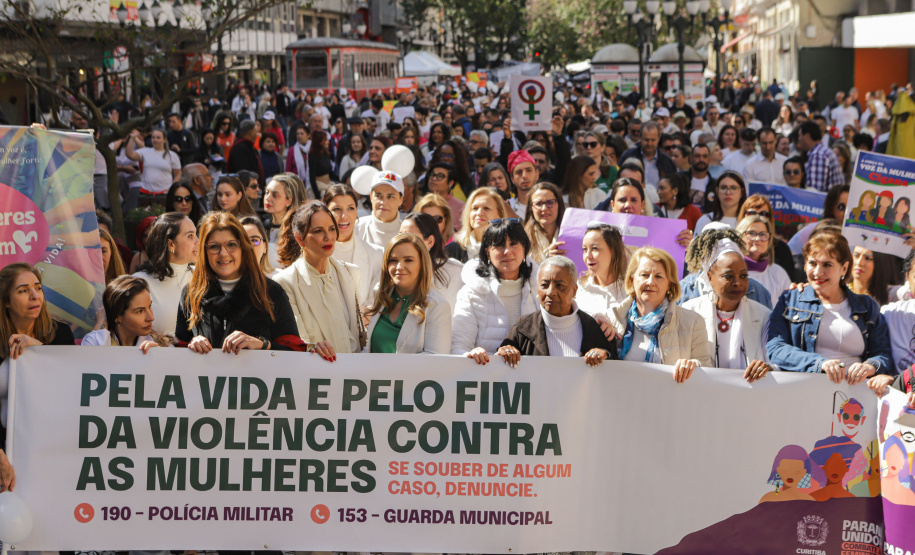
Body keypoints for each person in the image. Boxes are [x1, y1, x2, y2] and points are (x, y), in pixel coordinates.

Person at [766, 230, 893, 385]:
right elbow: (775, 348)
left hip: (854, 398)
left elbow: (883, 353)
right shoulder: (789, 299)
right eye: (812, 263)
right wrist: (820, 363)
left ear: (844, 268)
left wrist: (870, 366)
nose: (818, 272)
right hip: (803, 390)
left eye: (827, 265)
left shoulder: (866, 306)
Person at [176, 212, 304, 354]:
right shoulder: (191, 293)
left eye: (231, 245)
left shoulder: (271, 292)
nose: (223, 253)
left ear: (243, 248)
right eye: (214, 246)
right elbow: (177, 350)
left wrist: (262, 344)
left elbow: (294, 352)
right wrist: (191, 344)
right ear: (204, 251)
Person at [604, 247, 712, 382]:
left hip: (670, 401)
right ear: (632, 279)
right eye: (644, 275)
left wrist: (694, 365)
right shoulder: (612, 318)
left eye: (658, 276)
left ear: (669, 284)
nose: (650, 282)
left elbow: (707, 370)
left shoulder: (693, 322)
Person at [273, 202, 364, 358]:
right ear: (300, 239)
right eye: (318, 231)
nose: (328, 237)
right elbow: (298, 342)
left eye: (331, 229)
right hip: (313, 374)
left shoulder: (351, 273)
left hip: (352, 371)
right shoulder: (284, 282)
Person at [493, 256, 617, 367]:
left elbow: (615, 374)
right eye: (544, 285)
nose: (550, 292)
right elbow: (500, 371)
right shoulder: (523, 328)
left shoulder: (594, 328)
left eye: (560, 286)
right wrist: (505, 353)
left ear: (574, 290)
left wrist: (605, 356)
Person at [681, 240, 772, 381]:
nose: (738, 282)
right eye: (728, 276)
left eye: (743, 276)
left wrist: (767, 367)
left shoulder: (764, 316)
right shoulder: (688, 312)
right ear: (710, 277)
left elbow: (775, 363)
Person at [453, 219, 540, 359]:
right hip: (484, 377)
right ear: (488, 253)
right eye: (499, 245)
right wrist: (471, 355)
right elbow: (458, 347)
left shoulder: (541, 291)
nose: (507, 251)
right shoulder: (470, 293)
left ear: (524, 249)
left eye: (513, 244)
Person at [364, 233, 451, 354]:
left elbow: (435, 359)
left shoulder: (437, 306)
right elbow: (368, 348)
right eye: (393, 260)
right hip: (372, 372)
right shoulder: (380, 292)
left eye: (408, 260)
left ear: (422, 264)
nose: (399, 267)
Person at [132, 213, 198, 336]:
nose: (197, 241)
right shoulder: (140, 283)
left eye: (196, 235)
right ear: (171, 244)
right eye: (190, 236)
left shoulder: (202, 277)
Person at [0, 263, 74, 363]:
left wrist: (40, 350)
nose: (35, 296)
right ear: (6, 301)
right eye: (23, 291)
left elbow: (69, 373)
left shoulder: (61, 333)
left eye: (38, 288)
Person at [324, 184, 384, 304]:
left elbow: (375, 302)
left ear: (357, 211)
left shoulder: (377, 254)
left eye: (350, 208)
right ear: (326, 212)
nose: (344, 216)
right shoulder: (314, 253)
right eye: (337, 209)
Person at [400, 212, 464, 311]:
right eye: (400, 236)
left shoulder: (456, 272)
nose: (403, 242)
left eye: (410, 237)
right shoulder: (395, 269)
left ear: (430, 241)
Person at [82, 275, 163, 352]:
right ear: (117, 317)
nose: (151, 318)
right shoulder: (93, 342)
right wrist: (102, 323)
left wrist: (157, 357)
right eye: (139, 311)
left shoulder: (161, 345)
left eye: (150, 306)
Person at [576, 222, 629, 316]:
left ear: (613, 251)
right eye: (585, 249)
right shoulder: (580, 288)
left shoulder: (631, 289)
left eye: (595, 248)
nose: (588, 255)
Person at [737, 215, 791, 301]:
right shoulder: (731, 271)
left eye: (762, 234)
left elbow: (787, 307)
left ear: (769, 240)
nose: (758, 238)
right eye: (751, 233)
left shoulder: (778, 273)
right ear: (739, 237)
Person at [446, 187, 506, 263]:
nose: (479, 213)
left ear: (499, 215)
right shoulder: (452, 250)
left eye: (486, 208)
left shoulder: (509, 248)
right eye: (475, 208)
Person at [263, 173, 307, 269]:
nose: (267, 198)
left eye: (275, 195)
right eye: (266, 192)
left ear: (288, 201)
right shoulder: (262, 227)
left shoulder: (296, 230)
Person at [355, 170, 405, 250]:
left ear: (400, 200)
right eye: (378, 196)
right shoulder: (356, 229)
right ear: (371, 197)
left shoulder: (408, 232)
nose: (383, 202)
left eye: (390, 197)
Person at [125, 129, 181, 194]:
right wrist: (132, 138)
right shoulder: (145, 151)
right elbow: (129, 154)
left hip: (165, 193)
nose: (155, 140)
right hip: (145, 192)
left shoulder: (172, 155)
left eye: (158, 138)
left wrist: (172, 189)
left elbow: (178, 174)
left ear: (164, 140)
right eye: (153, 137)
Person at [524, 182, 566, 264]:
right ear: (531, 208)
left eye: (550, 202)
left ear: (559, 204)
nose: (544, 208)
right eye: (538, 204)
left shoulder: (570, 235)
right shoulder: (524, 239)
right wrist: (548, 260)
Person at [797, 121, 844, 192]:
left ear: (807, 136)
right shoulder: (824, 152)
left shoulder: (818, 155)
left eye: (800, 135)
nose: (799, 139)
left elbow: (814, 191)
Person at [695, 170, 747, 235]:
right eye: (723, 188)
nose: (728, 192)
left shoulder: (748, 222)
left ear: (742, 192)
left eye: (733, 188)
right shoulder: (705, 220)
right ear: (717, 191)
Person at [424, 162, 465, 232]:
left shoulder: (461, 207)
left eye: (440, 176)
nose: (434, 178)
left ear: (451, 182)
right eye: (432, 175)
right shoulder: (421, 202)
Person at [226, 120, 265, 187]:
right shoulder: (241, 148)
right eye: (255, 131)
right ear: (250, 132)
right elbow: (244, 173)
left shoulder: (248, 146)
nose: (257, 134)